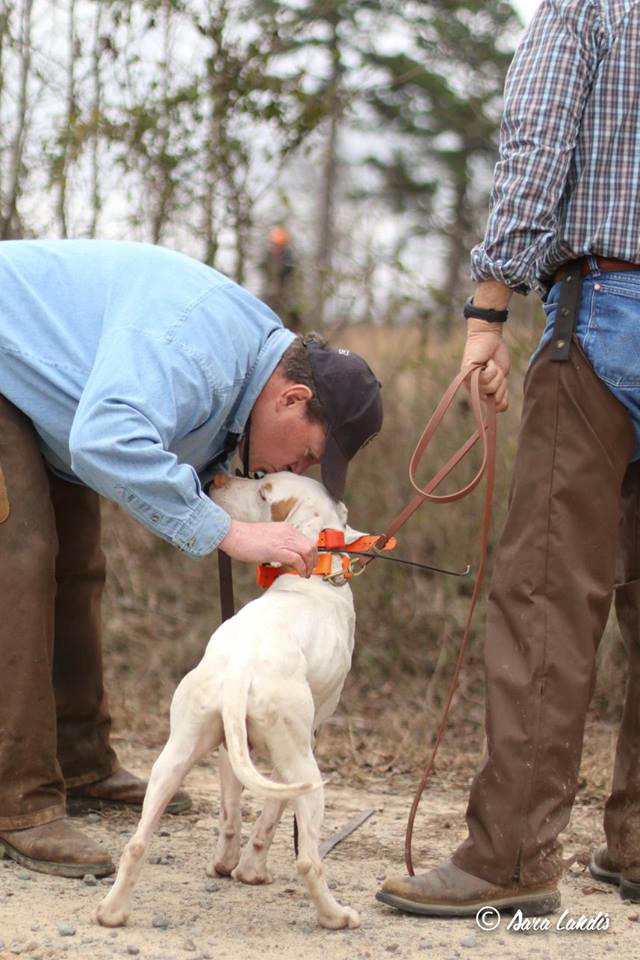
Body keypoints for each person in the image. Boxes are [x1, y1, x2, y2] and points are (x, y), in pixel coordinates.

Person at [0, 238, 382, 878]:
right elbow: (105, 438)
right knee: (20, 559)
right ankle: (20, 802)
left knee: (79, 562)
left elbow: (164, 438)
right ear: (291, 399)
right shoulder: (196, 351)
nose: (298, 469)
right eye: (309, 454)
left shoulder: (251, 363)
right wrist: (228, 533)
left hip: (44, 391)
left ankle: (79, 759)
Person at [378, 0, 640, 917]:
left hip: (606, 315)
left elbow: (537, 148)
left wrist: (488, 310)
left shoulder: (586, 7)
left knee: (547, 592)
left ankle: (513, 856)